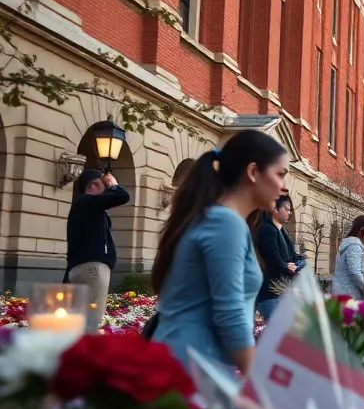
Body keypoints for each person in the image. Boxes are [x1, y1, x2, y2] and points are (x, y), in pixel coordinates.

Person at [152, 131, 288, 371]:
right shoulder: (225, 222)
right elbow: (230, 312)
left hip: (197, 362)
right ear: (253, 172)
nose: (283, 187)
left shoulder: (222, 219)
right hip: (191, 365)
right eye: (280, 174)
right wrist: (259, 383)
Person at [65, 168, 131, 332]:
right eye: (105, 185)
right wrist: (114, 183)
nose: (108, 190)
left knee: (80, 320)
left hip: (83, 268)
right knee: (92, 322)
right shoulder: (86, 201)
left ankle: (75, 353)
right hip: (93, 269)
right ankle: (86, 356)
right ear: (94, 184)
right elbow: (122, 196)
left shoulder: (85, 207)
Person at [254, 195, 300, 320]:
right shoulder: (267, 229)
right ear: (275, 209)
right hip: (270, 293)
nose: (289, 212)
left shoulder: (282, 231)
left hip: (282, 292)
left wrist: (299, 262)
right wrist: (285, 266)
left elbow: (292, 255)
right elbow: (272, 258)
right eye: (286, 208)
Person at [331, 215, 364, 300]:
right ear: (362, 229)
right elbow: (355, 272)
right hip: (349, 294)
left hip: (342, 291)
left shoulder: (351, 243)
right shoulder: (354, 245)